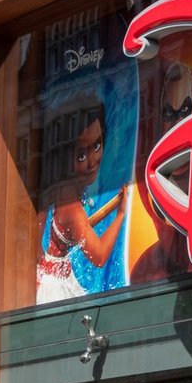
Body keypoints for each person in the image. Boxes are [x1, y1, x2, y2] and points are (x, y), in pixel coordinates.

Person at [36, 91, 131, 303]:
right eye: (81, 155)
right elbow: (98, 257)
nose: (92, 161)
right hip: (55, 288)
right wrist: (121, 215)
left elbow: (41, 215)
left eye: (96, 146)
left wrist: (40, 257)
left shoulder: (58, 188)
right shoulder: (71, 207)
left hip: (54, 277)